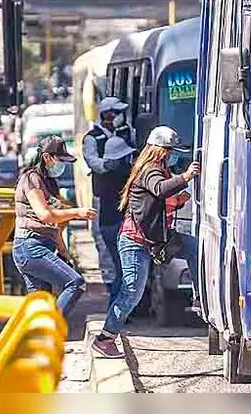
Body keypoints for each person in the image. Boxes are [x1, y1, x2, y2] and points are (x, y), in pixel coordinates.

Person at [90, 126, 201, 359]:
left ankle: (199, 299)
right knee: (132, 291)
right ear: (159, 151)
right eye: (170, 151)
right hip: (135, 241)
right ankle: (105, 339)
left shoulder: (159, 169)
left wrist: (179, 198)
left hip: (155, 237)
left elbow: (162, 200)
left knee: (194, 248)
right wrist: (186, 177)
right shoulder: (150, 170)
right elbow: (160, 190)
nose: (172, 156)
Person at [12, 136, 97, 317]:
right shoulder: (31, 179)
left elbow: (53, 225)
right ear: (47, 157)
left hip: (42, 245)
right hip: (30, 247)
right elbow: (44, 215)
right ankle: (52, 328)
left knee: (40, 304)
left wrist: (63, 251)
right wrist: (77, 212)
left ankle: (39, 340)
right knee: (75, 283)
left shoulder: (48, 182)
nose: (62, 165)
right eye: (60, 160)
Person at [82, 96, 136, 292]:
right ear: (108, 115)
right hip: (103, 195)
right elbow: (92, 161)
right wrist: (110, 164)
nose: (120, 117)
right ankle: (111, 284)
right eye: (117, 113)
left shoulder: (127, 132)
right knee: (105, 243)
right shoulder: (92, 138)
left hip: (125, 193)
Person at [98, 136, 137, 303]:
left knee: (120, 269)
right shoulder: (122, 174)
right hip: (117, 227)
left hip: (106, 226)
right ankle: (116, 309)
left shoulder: (102, 174)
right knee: (124, 272)